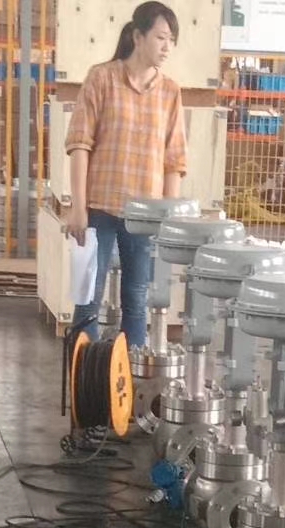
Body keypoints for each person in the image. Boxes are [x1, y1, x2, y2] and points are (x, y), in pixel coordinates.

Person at [64, 2, 187, 350]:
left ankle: (129, 373)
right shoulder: (101, 78)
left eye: (171, 40)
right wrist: (78, 207)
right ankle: (83, 373)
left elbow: (174, 160)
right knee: (88, 297)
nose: (167, 47)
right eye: (160, 37)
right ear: (137, 36)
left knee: (136, 299)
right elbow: (79, 144)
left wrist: (167, 219)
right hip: (99, 208)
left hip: (145, 218)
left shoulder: (170, 92)